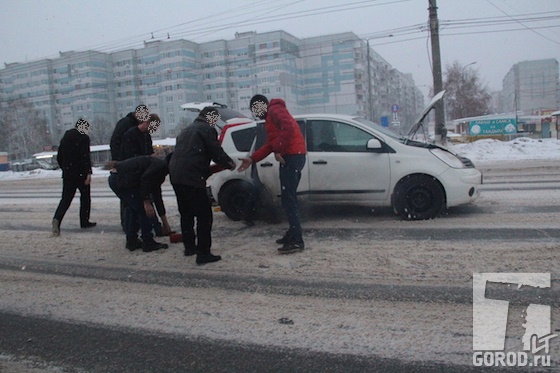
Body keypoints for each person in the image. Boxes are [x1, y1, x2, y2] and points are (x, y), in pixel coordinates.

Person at [237, 95, 307, 254]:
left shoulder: (275, 109)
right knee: (288, 198)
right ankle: (293, 233)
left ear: (261, 105)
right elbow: (270, 145)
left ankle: (297, 240)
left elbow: (288, 128)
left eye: (256, 109)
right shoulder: (270, 118)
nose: (256, 113)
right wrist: (252, 159)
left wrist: (279, 149)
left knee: (288, 199)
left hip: (292, 156)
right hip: (292, 155)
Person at [169, 107, 236, 265]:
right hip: (192, 177)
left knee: (186, 213)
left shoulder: (185, 131)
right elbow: (215, 151)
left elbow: (187, 155)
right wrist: (228, 163)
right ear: (209, 117)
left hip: (176, 176)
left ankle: (189, 247)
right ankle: (203, 253)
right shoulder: (206, 129)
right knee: (204, 215)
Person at [108, 155, 170, 252]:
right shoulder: (159, 166)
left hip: (116, 178)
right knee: (143, 210)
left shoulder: (158, 167)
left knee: (133, 209)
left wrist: (165, 223)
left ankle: (131, 241)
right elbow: (145, 180)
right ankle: (148, 241)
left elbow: (157, 195)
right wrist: (146, 201)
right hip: (122, 179)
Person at [52, 118, 96, 236]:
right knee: (85, 197)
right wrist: (88, 173)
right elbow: (85, 157)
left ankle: (57, 219)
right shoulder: (84, 138)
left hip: (68, 174)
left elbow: (59, 157)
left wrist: (66, 169)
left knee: (66, 199)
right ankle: (84, 221)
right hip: (81, 174)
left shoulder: (65, 138)